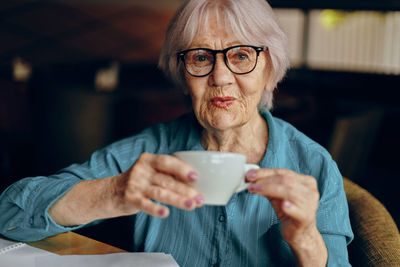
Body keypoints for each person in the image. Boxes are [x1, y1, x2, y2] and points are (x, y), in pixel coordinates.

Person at [0, 0, 353, 266]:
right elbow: (8, 215)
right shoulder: (148, 152)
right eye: (200, 58)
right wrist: (111, 192)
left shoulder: (314, 165)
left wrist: (307, 239)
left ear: (270, 67)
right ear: (181, 74)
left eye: (242, 55)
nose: (220, 77)